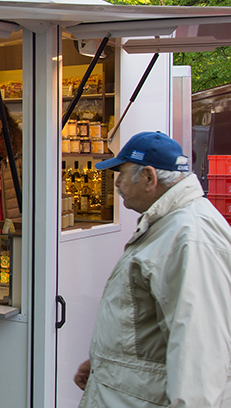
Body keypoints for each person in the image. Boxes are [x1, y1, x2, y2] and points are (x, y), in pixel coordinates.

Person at [73, 131, 231, 407]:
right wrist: (106, 363)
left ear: (149, 178)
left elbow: (201, 357)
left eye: (121, 173)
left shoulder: (189, 238)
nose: (117, 182)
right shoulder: (171, 225)